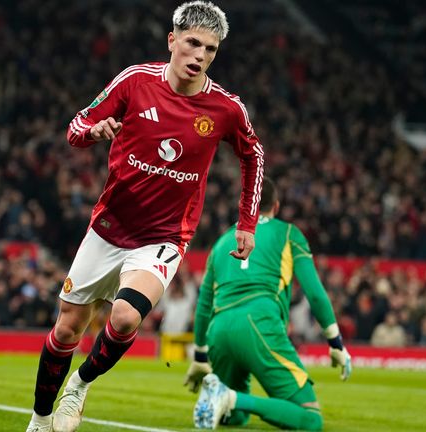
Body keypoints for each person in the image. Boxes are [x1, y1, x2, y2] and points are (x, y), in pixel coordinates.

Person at [25, 2, 265, 431]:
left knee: (125, 317)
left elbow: (254, 155)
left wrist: (247, 222)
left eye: (210, 49)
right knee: (66, 331)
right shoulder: (135, 81)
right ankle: (41, 418)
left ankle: (79, 387)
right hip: (108, 229)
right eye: (192, 43)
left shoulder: (226, 109)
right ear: (172, 40)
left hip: (164, 237)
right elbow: (77, 125)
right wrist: (92, 133)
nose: (199, 56)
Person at [184, 177, 351, 431]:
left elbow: (204, 304)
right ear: (276, 206)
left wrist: (199, 355)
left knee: (237, 417)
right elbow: (315, 293)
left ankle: (224, 397)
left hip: (219, 331)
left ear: (244, 206)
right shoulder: (288, 234)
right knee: (310, 418)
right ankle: (227, 397)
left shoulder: (221, 243)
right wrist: (335, 342)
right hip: (258, 323)